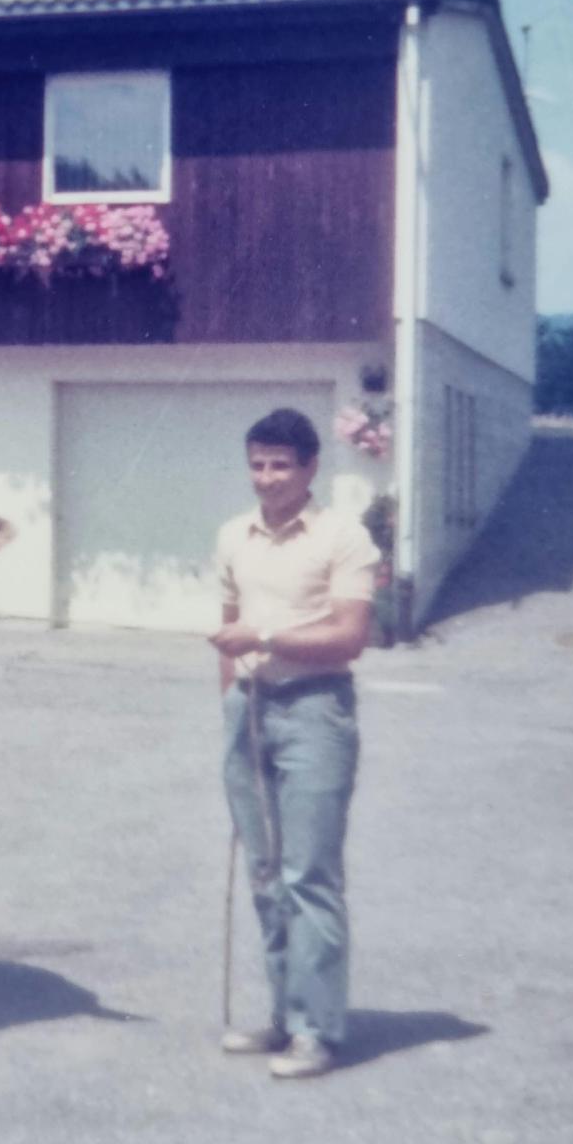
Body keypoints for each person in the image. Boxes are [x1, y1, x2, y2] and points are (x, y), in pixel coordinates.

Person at [207, 408, 378, 1081]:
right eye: (257, 464)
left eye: (281, 465)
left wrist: (268, 643)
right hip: (248, 711)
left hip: (315, 712)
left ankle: (318, 1030)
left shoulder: (344, 538)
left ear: (310, 469)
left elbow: (350, 636)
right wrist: (229, 703)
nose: (268, 478)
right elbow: (228, 628)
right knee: (264, 874)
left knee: (309, 875)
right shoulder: (234, 536)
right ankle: (283, 1015)